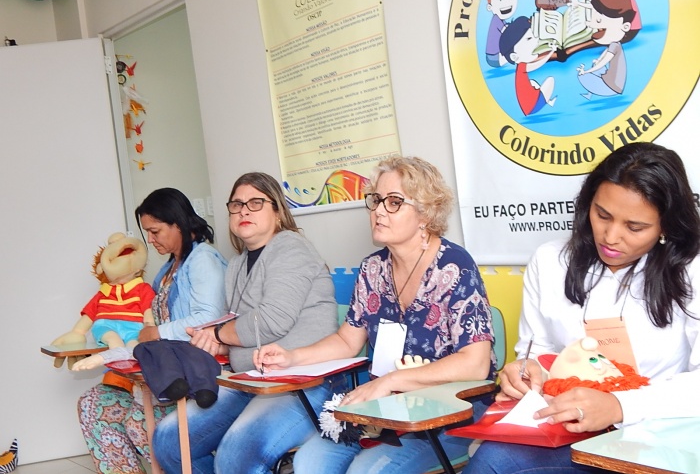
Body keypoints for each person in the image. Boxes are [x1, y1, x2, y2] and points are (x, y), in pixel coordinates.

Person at [464, 142, 700, 474]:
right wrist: (528, 372)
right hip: (566, 424)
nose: (611, 236)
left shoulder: (692, 269)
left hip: (657, 431)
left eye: (634, 227)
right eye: (602, 215)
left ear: (666, 225)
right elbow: (539, 350)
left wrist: (619, 405)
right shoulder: (551, 261)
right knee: (491, 463)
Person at [257, 156, 497, 474]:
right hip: (384, 411)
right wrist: (291, 357)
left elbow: (475, 363)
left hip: (449, 415)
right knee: (309, 462)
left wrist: (391, 381)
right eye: (376, 200)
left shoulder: (455, 266)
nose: (379, 211)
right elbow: (348, 340)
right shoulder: (372, 268)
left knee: (365, 471)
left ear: (426, 213)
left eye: (394, 202)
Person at [153, 172, 341, 474]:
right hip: (250, 381)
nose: (244, 211)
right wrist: (212, 340)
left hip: (303, 384)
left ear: (277, 211)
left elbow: (270, 321)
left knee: (234, 456)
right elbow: (236, 327)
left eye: (255, 203)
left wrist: (216, 333)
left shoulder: (291, 247)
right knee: (169, 441)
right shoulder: (237, 264)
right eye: (237, 205)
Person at [77, 188, 228, 474]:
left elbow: (209, 318)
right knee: (92, 404)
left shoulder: (203, 260)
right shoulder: (170, 266)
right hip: (162, 367)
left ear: (178, 223)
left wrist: (157, 332)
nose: (150, 239)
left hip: (192, 374)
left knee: (139, 424)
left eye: (155, 231)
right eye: (147, 232)